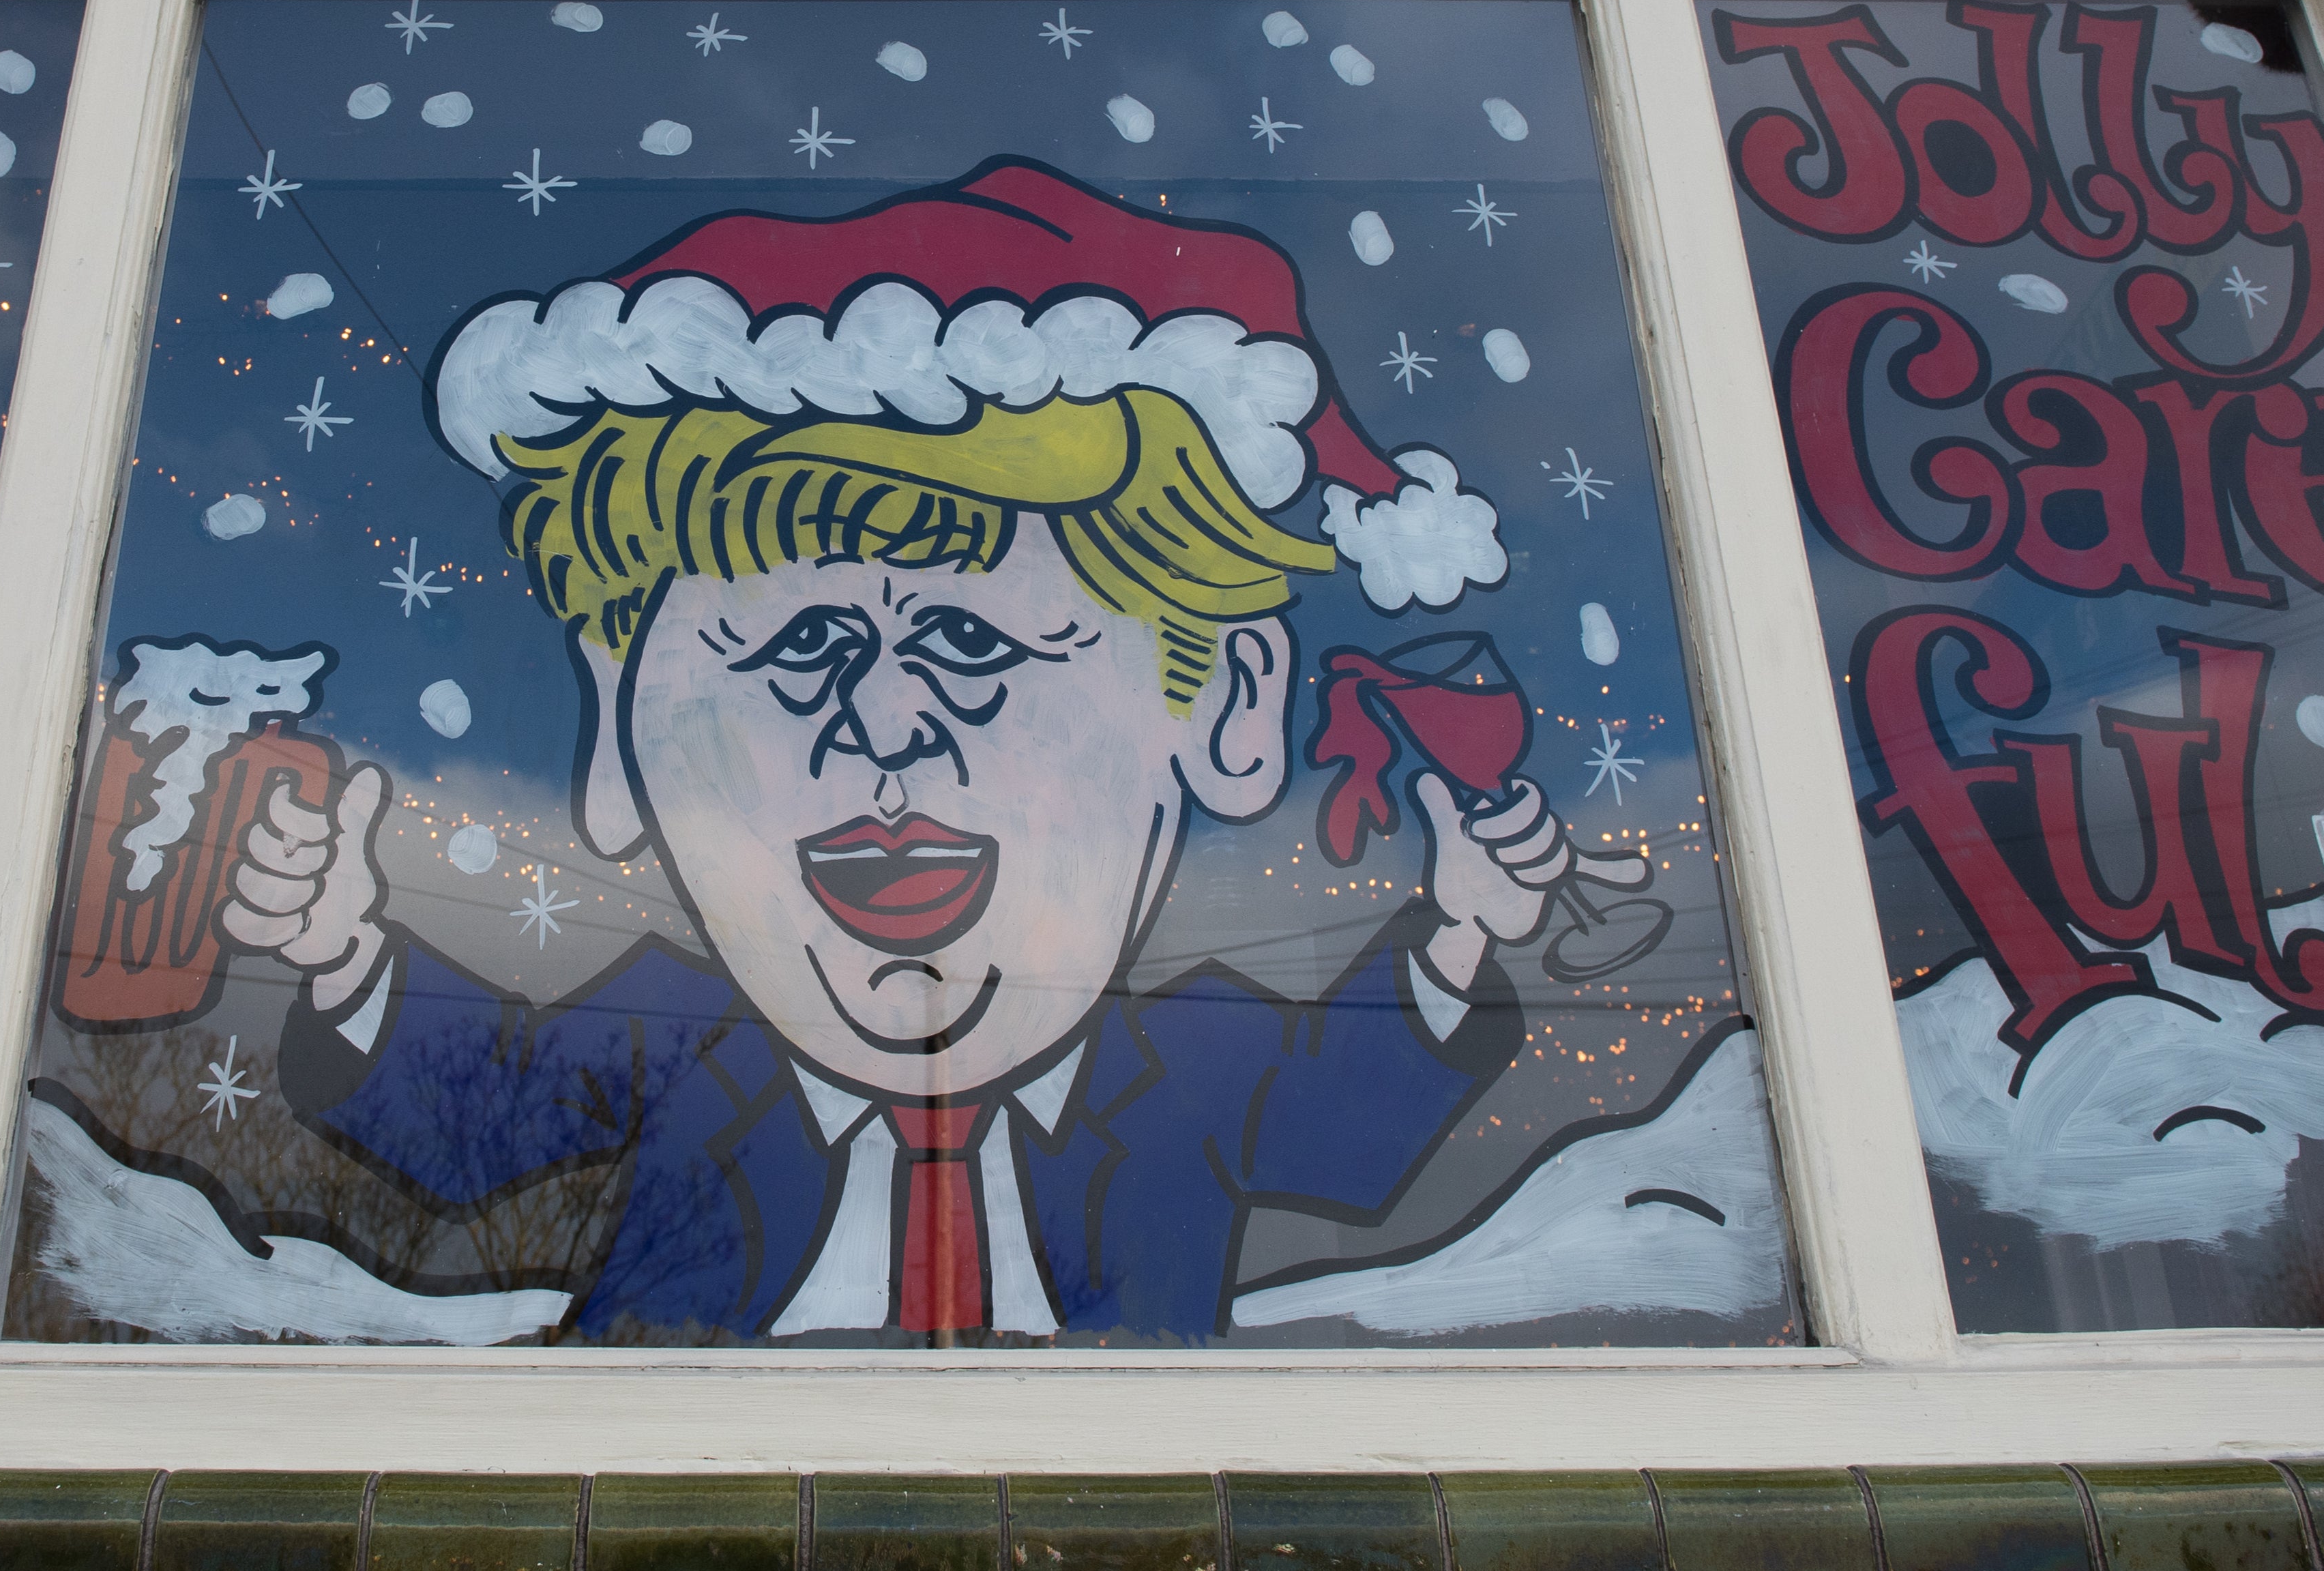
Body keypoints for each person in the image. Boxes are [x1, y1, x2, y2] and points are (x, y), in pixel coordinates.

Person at [214, 158, 1645, 1340]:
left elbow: (1350, 1125)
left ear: (1223, 709)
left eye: (974, 646)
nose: (884, 724)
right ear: (615, 718)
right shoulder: (671, 1045)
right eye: (795, 650)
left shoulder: (1191, 1068)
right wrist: (346, 953)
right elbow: (477, 1122)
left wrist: (1460, 930)